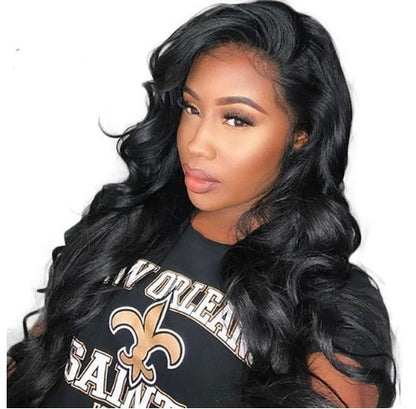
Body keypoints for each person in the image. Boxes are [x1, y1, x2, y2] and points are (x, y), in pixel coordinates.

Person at [7, 0, 397, 407]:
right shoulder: (125, 224)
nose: (196, 143)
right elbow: (32, 367)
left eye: (236, 119)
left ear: (302, 134)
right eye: (192, 108)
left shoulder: (328, 299)